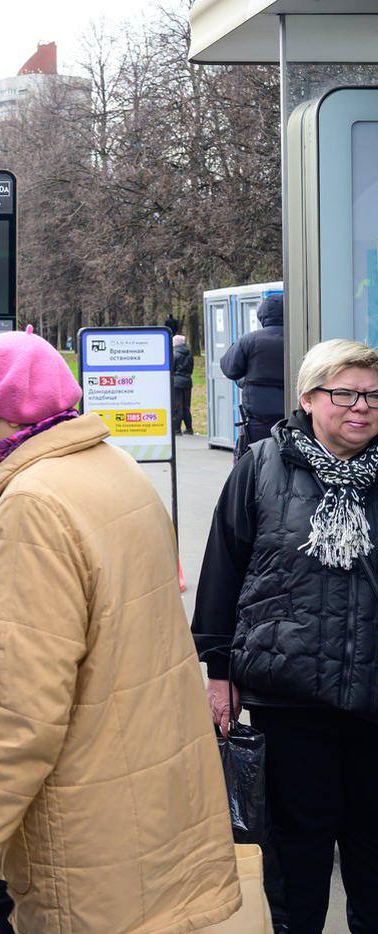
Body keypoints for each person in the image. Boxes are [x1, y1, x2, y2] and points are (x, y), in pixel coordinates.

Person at [0, 328, 242, 932]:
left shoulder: (32, 511)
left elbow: (20, 711)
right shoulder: (114, 467)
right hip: (152, 793)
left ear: (6, 414)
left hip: (86, 816)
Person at [194, 339, 378, 933]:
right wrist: (218, 672)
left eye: (374, 395)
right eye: (345, 393)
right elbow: (223, 570)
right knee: (296, 864)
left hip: (375, 702)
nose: (362, 407)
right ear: (307, 398)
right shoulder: (262, 465)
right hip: (290, 699)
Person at [221, 293, 285, 454]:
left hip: (258, 417)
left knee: (253, 460)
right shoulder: (300, 338)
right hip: (293, 417)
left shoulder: (249, 340)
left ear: (262, 315)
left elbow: (230, 368)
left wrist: (245, 381)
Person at [173, 332, 195, 434]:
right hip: (187, 381)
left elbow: (172, 368)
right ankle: (189, 428)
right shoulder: (189, 354)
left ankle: (177, 429)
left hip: (177, 382)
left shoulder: (174, 354)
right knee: (186, 406)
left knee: (178, 406)